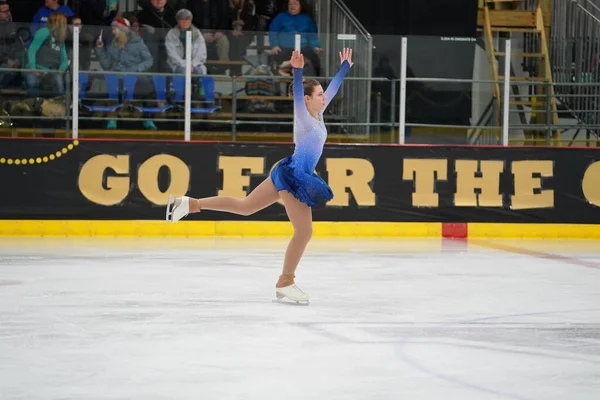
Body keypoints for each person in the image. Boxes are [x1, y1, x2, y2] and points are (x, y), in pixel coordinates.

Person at [166, 48, 353, 304]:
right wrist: (297, 72)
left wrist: (344, 67)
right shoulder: (304, 117)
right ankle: (286, 281)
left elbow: (332, 89)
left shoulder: (317, 113)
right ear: (307, 99)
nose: (324, 98)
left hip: (285, 170)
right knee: (304, 231)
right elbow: (299, 93)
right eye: (319, 95)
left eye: (322, 94)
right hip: (293, 178)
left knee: (246, 207)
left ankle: (190, 204)